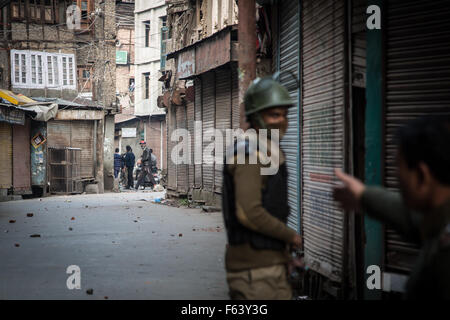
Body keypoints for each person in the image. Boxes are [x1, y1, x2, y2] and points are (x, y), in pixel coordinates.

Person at [333, 115, 450, 299]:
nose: (397, 181)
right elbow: (414, 219)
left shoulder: (444, 259)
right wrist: (364, 195)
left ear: (421, 176)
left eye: (399, 172)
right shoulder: (438, 222)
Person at [222, 76, 303, 300]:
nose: (281, 121)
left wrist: (284, 256)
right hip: (254, 273)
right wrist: (291, 237)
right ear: (257, 116)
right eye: (274, 115)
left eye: (284, 115)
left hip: (270, 267)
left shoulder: (269, 151)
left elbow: (271, 207)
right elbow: (249, 212)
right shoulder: (248, 153)